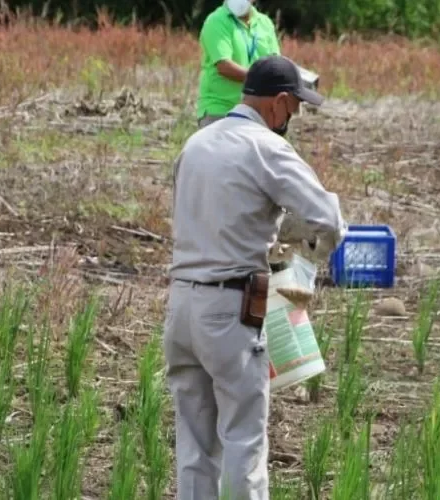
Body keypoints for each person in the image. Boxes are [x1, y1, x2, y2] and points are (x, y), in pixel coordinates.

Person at [165, 55, 347, 500]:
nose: (294, 118)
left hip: (181, 308)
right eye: (295, 109)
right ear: (278, 103)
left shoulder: (197, 143)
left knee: (194, 448)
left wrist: (273, 230)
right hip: (230, 311)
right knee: (244, 445)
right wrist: (305, 257)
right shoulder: (266, 147)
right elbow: (328, 220)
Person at [196, 0, 281, 128]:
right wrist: (262, 80)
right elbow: (224, 66)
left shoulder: (265, 23)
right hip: (220, 110)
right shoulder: (216, 21)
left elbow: (274, 63)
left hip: (256, 111)